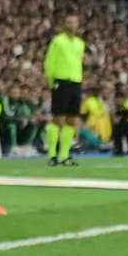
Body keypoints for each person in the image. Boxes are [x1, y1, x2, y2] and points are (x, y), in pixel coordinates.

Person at [44, 14, 85, 166]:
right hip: (61, 81)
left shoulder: (80, 43)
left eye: (74, 21)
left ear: (77, 24)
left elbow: (79, 62)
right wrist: (51, 81)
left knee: (71, 119)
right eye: (69, 22)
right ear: (64, 24)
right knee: (58, 118)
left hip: (76, 81)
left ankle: (65, 155)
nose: (72, 24)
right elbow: (50, 62)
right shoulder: (57, 41)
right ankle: (52, 155)